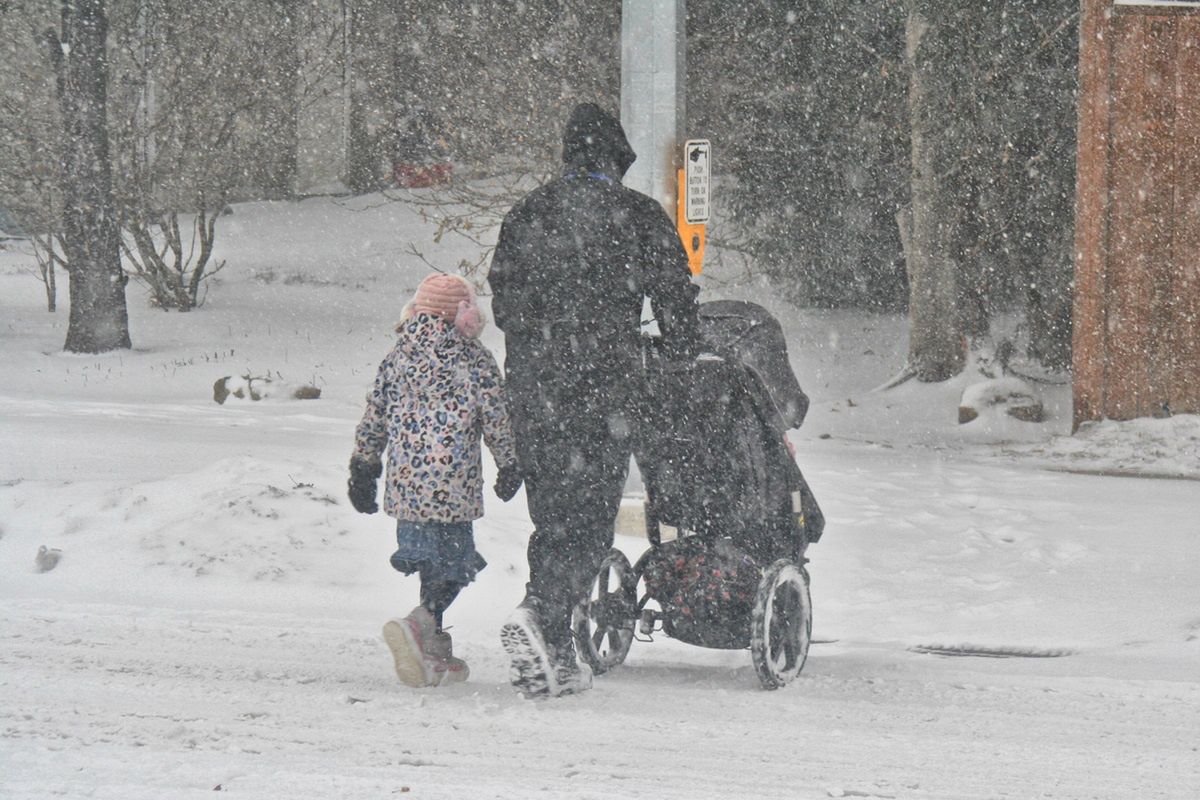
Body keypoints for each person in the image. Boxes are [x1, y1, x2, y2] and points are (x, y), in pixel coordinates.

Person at [489, 102, 700, 697]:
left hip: (533, 389)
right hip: (600, 389)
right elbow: (675, 297)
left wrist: (546, 343)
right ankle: (538, 611)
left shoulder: (526, 213)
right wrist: (675, 351)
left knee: (553, 515)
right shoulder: (637, 215)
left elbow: (505, 307)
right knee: (586, 520)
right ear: (617, 159)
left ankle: (551, 647)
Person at [348, 272, 523, 688]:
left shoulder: (397, 356)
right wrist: (509, 463)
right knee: (456, 568)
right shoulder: (473, 359)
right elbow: (496, 417)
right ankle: (418, 624)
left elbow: (375, 414)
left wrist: (363, 466)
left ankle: (431, 647)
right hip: (454, 486)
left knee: (431, 564)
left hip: (407, 487)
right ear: (465, 315)